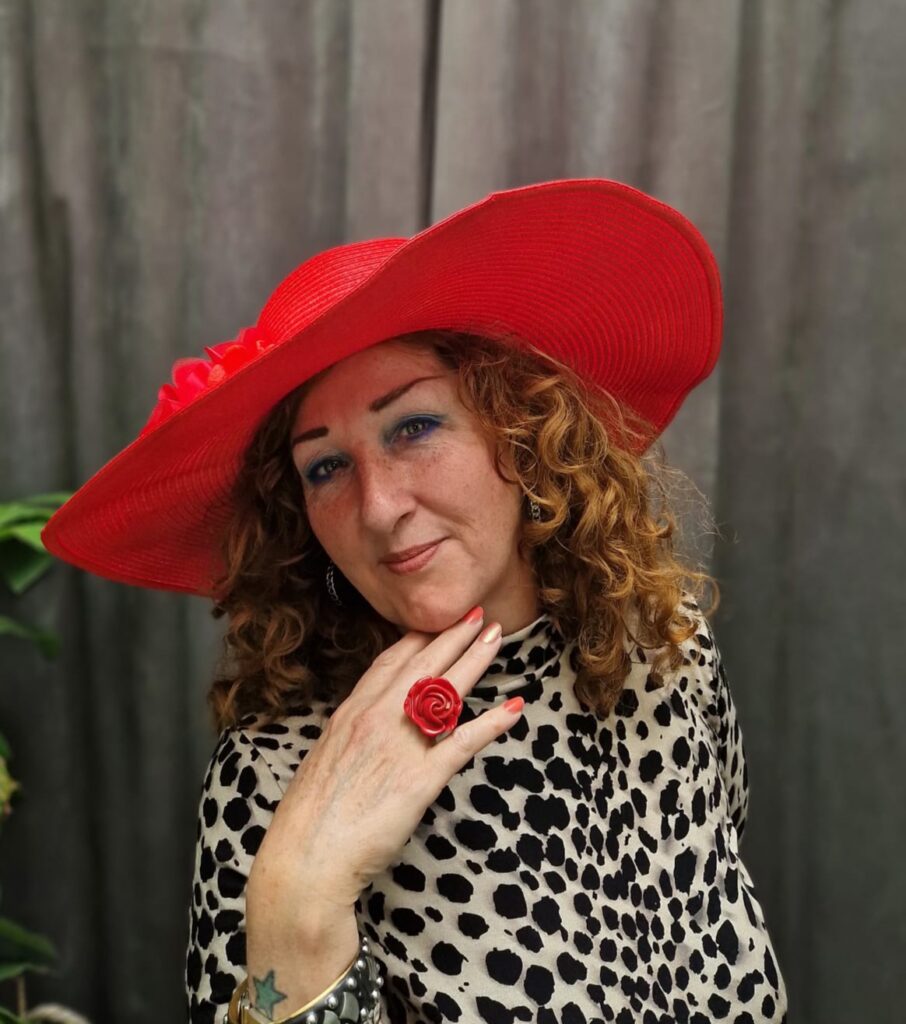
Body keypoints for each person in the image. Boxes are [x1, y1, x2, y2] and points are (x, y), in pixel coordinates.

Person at [41, 178, 789, 1024]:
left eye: (413, 428)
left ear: (523, 431)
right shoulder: (274, 773)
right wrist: (299, 904)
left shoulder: (665, 652)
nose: (378, 507)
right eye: (326, 467)